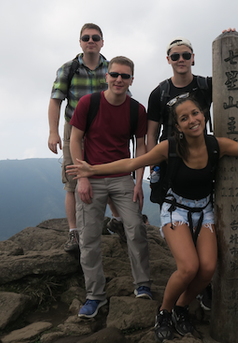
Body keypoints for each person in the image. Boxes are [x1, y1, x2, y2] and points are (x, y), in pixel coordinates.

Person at [68, 96, 238, 342]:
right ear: (179, 126)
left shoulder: (217, 145)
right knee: (188, 268)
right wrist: (92, 169)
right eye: (184, 118)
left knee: (207, 269)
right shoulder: (169, 147)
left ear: (203, 116)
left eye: (195, 113)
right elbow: (131, 163)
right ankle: (165, 311)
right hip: (176, 211)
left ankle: (181, 307)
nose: (192, 119)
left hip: (204, 211)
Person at [69, 56, 153, 318]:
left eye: (125, 76)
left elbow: (140, 147)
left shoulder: (136, 110)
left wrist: (139, 181)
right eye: (115, 75)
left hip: (122, 177)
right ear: (106, 76)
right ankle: (95, 295)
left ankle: (142, 284)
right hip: (91, 175)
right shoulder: (89, 103)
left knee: (136, 227)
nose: (119, 80)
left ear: (131, 80)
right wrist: (81, 177)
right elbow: (75, 140)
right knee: (89, 237)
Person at [48, 23, 123, 252]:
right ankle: (74, 233)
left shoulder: (112, 68)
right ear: (80, 42)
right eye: (86, 38)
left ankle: (118, 221)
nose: (91, 41)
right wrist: (53, 132)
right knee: (73, 181)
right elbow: (55, 100)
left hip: (104, 130)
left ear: (102, 42)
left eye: (95, 38)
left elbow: (123, 98)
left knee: (109, 174)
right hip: (74, 129)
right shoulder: (69, 69)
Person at [146, 37, 212, 153]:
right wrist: (153, 167)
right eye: (175, 56)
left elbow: (233, 81)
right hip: (169, 157)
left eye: (186, 55)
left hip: (201, 154)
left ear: (193, 58)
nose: (181, 60)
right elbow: (151, 134)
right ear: (168, 59)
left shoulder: (207, 85)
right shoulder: (159, 93)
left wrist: (231, 38)